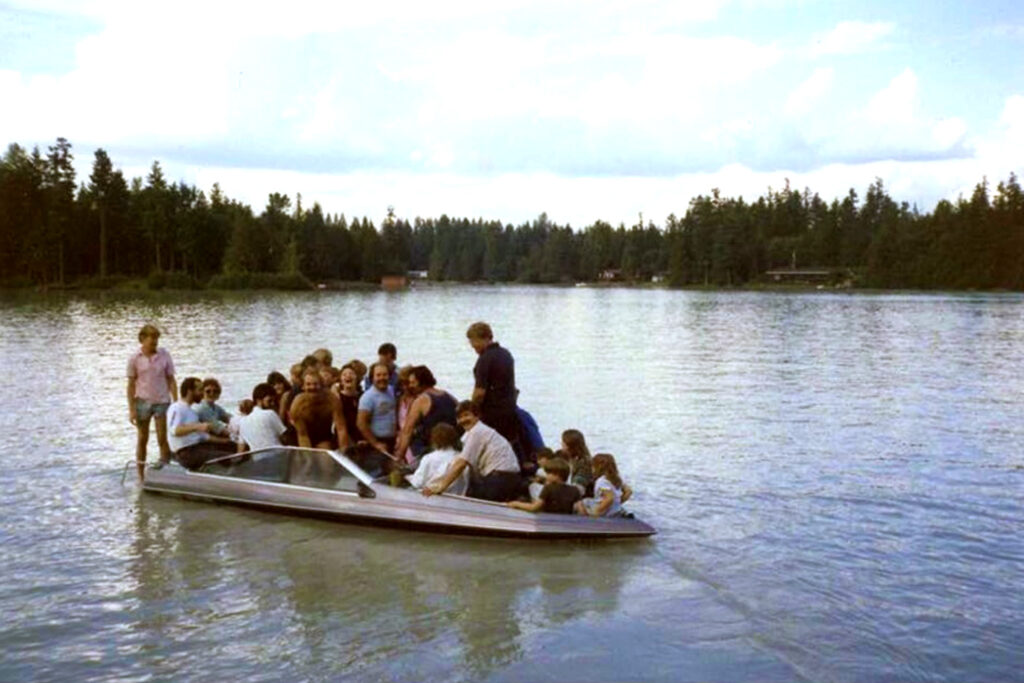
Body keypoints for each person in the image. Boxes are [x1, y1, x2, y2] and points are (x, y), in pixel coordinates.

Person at [424, 401, 521, 502]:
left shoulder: (477, 431)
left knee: (469, 498)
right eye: (460, 417)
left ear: (477, 416)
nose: (463, 420)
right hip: (506, 478)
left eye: (466, 415)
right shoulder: (470, 434)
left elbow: (461, 464)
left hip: (500, 478)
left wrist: (441, 487)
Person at [126, 323, 177, 479]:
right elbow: (130, 385)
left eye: (156, 339)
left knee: (162, 438)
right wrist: (132, 409)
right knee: (142, 438)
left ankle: (165, 470)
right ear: (142, 339)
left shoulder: (164, 355)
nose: (155, 343)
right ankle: (141, 474)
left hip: (162, 400)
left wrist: (176, 402)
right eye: (152, 339)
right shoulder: (135, 358)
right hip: (142, 401)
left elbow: (171, 379)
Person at [466, 322, 520, 448]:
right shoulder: (506, 354)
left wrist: (472, 410)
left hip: (492, 413)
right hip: (509, 408)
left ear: (485, 338)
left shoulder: (485, 359)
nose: (473, 347)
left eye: (474, 343)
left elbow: (480, 392)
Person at [393, 365, 458, 461]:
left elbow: (407, 430)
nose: (410, 386)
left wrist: (399, 455)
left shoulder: (422, 400)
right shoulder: (448, 395)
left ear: (421, 382)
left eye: (413, 383)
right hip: (453, 447)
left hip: (432, 449)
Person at [168, 377, 234, 469]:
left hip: (197, 447)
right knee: (227, 457)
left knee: (232, 447)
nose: (202, 394)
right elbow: (174, 430)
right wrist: (196, 427)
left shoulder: (191, 411)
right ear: (190, 391)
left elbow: (203, 436)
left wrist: (225, 441)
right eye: (200, 390)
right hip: (186, 453)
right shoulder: (177, 408)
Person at [290, 369, 350, 450]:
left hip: (324, 436)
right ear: (303, 387)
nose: (312, 387)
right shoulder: (298, 405)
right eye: (308, 384)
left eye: (315, 384)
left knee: (325, 448)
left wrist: (344, 451)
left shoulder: (331, 400)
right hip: (300, 435)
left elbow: (341, 428)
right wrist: (309, 458)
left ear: (322, 386)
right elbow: (302, 435)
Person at [407, 423, 468, 496]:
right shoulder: (463, 459)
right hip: (459, 501)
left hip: (432, 500)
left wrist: (407, 477)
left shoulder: (429, 458)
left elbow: (417, 483)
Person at [507, 457, 580, 514]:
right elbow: (581, 510)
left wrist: (516, 504)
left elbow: (534, 507)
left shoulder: (548, 488)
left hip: (548, 521)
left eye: (548, 473)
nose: (546, 476)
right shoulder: (575, 490)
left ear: (557, 475)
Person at [575, 453, 633, 518]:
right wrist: (618, 503)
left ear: (598, 467)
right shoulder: (616, 479)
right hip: (616, 510)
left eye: (593, 466)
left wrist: (596, 512)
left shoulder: (602, 481)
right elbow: (629, 491)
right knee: (587, 500)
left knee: (579, 504)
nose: (592, 469)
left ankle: (587, 520)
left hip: (606, 512)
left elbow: (609, 498)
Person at [357, 362, 398, 454]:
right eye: (378, 375)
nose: (382, 378)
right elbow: (361, 423)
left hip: (393, 440)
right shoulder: (367, 397)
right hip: (377, 442)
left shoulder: (392, 391)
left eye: (385, 375)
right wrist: (376, 444)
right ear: (372, 378)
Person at [238, 383, 287, 451]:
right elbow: (284, 438)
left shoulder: (242, 422)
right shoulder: (270, 413)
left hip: (258, 459)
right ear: (258, 400)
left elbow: (241, 448)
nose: (272, 404)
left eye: (273, 401)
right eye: (269, 401)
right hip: (278, 455)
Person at [561, 428, 594, 496]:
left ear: (569, 445)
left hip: (581, 497)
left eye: (563, 442)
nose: (561, 444)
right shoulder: (570, 459)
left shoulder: (584, 462)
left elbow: (579, 487)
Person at [336, 363, 363, 446]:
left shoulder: (363, 396)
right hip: (342, 435)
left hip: (361, 435)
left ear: (356, 378)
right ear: (341, 380)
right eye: (344, 374)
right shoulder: (337, 397)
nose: (348, 376)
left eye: (351, 374)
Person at [394, 365, 416, 464]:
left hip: (413, 441)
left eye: (408, 383)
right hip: (401, 439)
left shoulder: (418, 400)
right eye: (403, 383)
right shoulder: (400, 399)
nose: (405, 387)